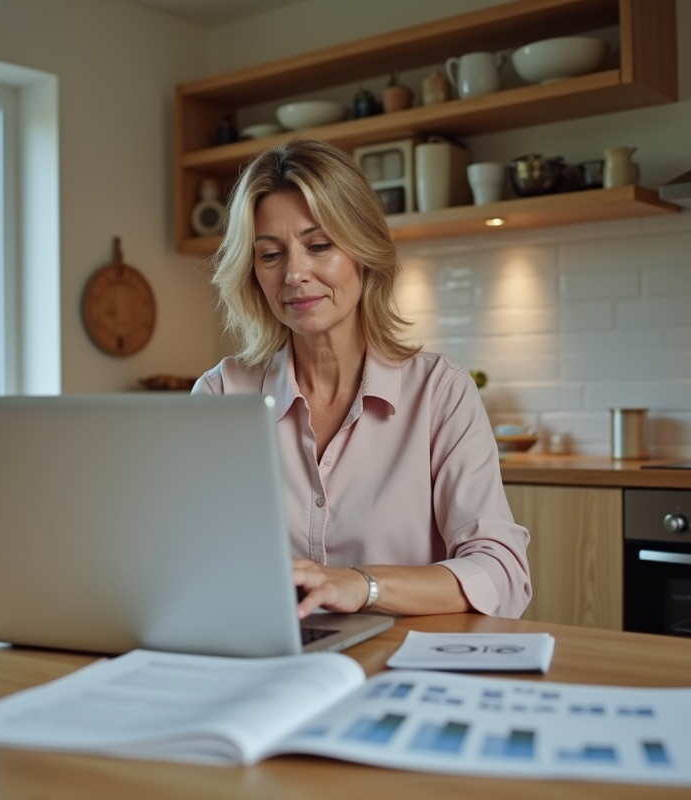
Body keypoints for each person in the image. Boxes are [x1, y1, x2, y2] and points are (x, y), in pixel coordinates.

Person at [191, 139, 531, 620]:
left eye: (319, 246)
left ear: (364, 251)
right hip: (273, 659)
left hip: (407, 663)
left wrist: (362, 585)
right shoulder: (221, 393)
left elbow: (501, 573)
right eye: (270, 255)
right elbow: (190, 559)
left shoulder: (440, 391)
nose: (294, 274)